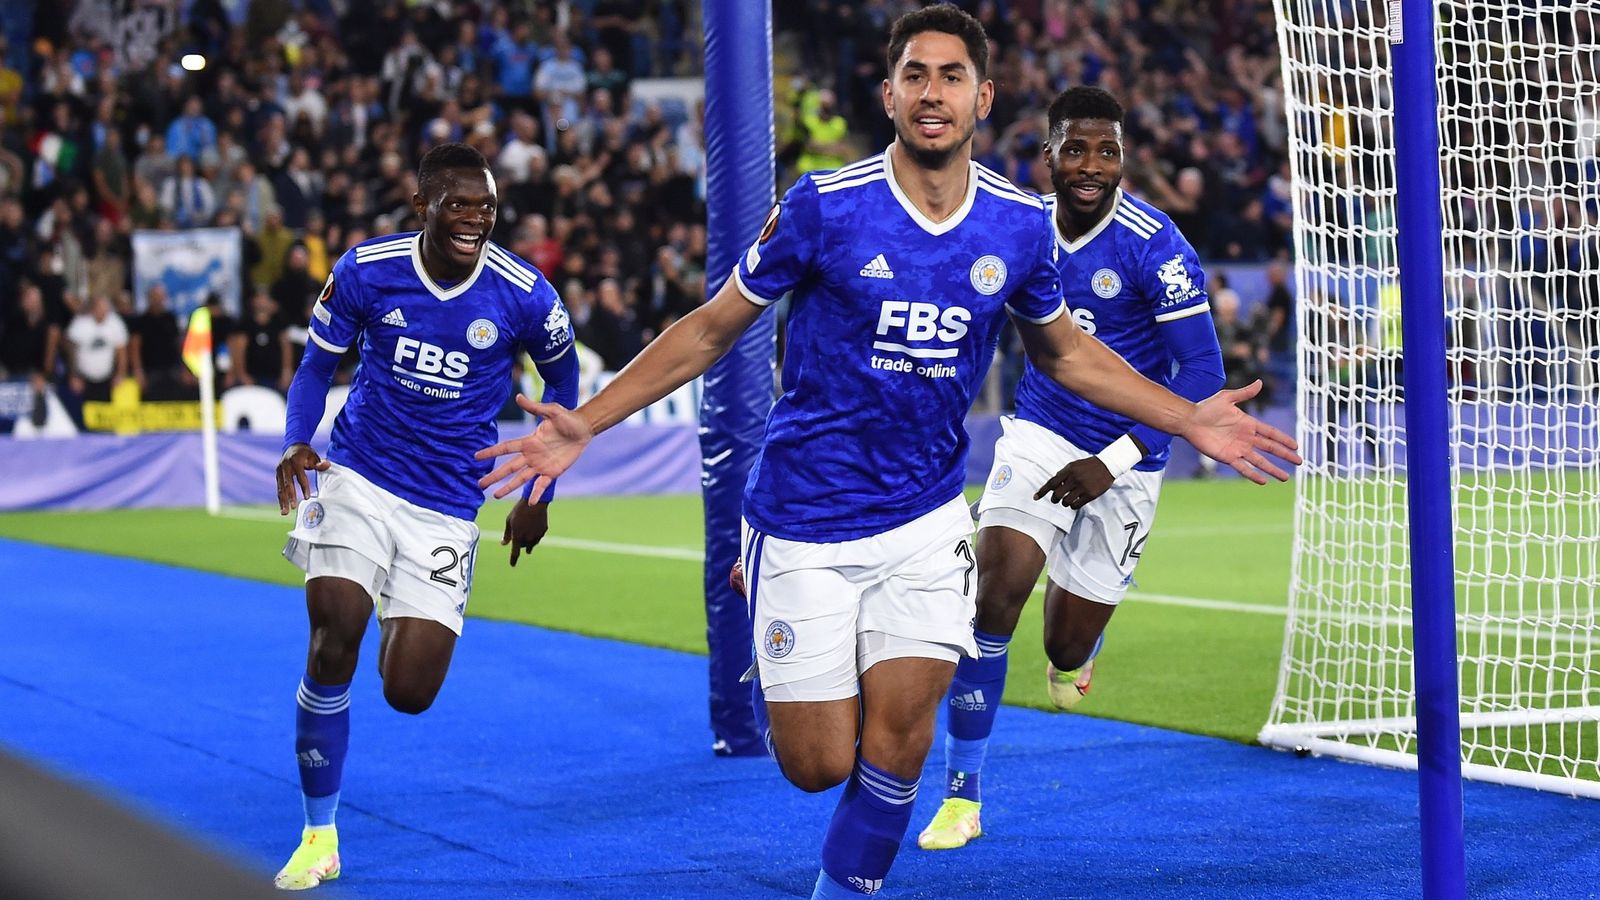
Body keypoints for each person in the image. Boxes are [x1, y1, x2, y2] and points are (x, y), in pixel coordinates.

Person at [478, 9, 1296, 899]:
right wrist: (585, 422)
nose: (931, 92)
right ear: (889, 94)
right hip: (806, 517)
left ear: (981, 97)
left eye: (950, 76)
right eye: (915, 75)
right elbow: (714, 330)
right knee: (818, 765)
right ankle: (783, 641)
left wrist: (1184, 418)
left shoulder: (1019, 227)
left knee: (900, 742)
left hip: (928, 518)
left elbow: (1065, 352)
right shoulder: (825, 206)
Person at [916, 86, 1228, 852]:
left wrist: (1113, 460)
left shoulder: (1155, 244)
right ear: (1048, 156)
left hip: (1132, 452)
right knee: (995, 593)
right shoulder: (1021, 229)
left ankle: (1077, 649)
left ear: (1124, 159)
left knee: (1061, 645)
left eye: (1108, 151)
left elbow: (1202, 371)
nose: (1092, 166)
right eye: (1077, 150)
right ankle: (963, 797)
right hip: (1041, 432)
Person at [270, 142, 579, 891]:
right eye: (460, 205)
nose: (475, 219)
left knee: (408, 692)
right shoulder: (366, 270)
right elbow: (317, 366)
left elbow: (564, 378)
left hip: (446, 505)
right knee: (332, 633)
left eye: (487, 208)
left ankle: (395, 605)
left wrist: (540, 491)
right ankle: (319, 835)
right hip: (360, 477)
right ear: (423, 208)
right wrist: (295, 444)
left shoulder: (524, 293)